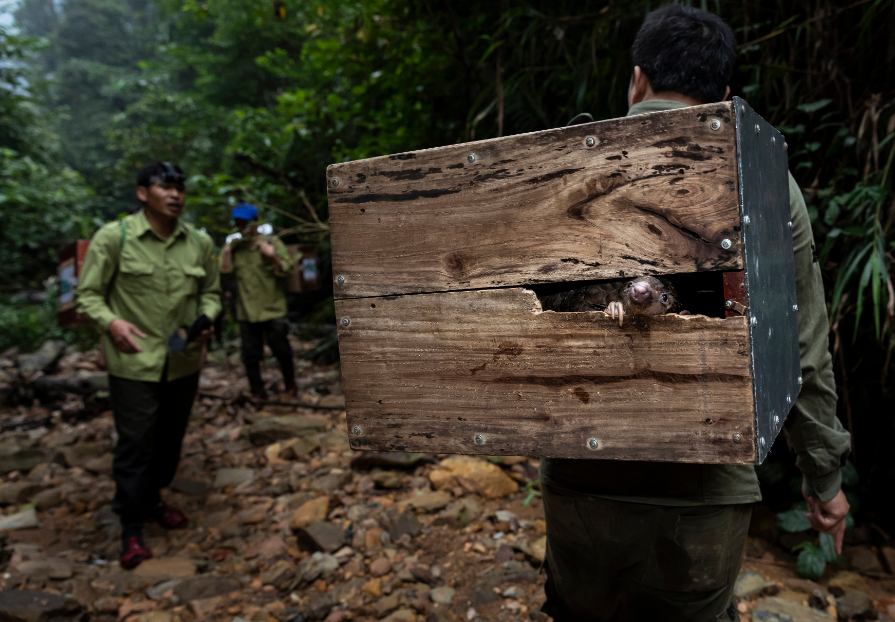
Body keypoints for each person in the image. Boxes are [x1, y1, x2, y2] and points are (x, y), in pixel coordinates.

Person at [538, 6, 852, 621]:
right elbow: (801, 346)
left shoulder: (561, 165)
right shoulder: (761, 177)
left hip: (579, 475)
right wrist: (826, 479)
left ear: (636, 81)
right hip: (701, 491)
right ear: (725, 95)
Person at [76, 162, 221, 569]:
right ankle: (131, 525)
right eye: (165, 187)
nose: (175, 195)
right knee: (136, 442)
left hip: (182, 358)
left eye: (180, 188)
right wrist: (112, 323)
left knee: (170, 441)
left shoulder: (198, 242)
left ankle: (152, 498)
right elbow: (87, 296)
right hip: (134, 362)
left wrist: (206, 319)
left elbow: (211, 293)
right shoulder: (114, 237)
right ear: (143, 193)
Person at [220, 202, 297, 400]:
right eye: (237, 222)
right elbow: (224, 277)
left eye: (244, 222)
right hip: (247, 311)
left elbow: (287, 270)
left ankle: (290, 384)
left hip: (273, 309)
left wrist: (272, 257)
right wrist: (227, 252)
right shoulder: (235, 249)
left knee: (282, 350)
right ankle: (258, 393)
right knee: (250, 356)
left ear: (254, 222)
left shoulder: (271, 242)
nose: (241, 226)